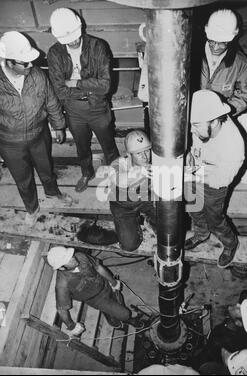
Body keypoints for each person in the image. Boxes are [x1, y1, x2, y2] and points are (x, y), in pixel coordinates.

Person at [0, 31, 72, 227]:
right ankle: (32, 208)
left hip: (39, 134)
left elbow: (51, 101)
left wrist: (58, 125)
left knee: (46, 167)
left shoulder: (38, 75)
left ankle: (52, 192)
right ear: (8, 61)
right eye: (25, 63)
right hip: (9, 142)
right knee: (23, 178)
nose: (30, 65)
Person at [48, 8, 119, 193]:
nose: (72, 40)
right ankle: (87, 173)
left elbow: (105, 86)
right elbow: (60, 90)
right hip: (74, 110)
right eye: (67, 37)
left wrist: (76, 82)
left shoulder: (98, 46)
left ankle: (116, 175)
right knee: (81, 147)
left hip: (97, 106)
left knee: (108, 144)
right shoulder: (55, 53)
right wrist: (86, 89)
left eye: (74, 34)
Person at [184, 90, 244, 268]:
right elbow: (193, 144)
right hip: (194, 173)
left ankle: (230, 244)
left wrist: (193, 173)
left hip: (214, 185)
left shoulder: (233, 145)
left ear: (215, 121)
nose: (191, 130)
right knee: (193, 208)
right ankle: (201, 234)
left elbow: (220, 180)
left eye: (195, 125)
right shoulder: (203, 124)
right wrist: (188, 156)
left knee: (215, 220)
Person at [47, 246, 141, 335]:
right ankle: (123, 318)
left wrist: (113, 282)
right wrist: (72, 326)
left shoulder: (80, 256)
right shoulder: (62, 284)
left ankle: (111, 315)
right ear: (62, 267)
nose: (73, 259)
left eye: (70, 255)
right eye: (68, 260)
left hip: (104, 284)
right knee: (125, 314)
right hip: (96, 300)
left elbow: (98, 267)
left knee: (118, 299)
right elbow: (61, 309)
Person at [200, 9, 247, 116]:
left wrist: (223, 112)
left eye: (222, 43)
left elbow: (246, 96)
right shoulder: (191, 54)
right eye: (211, 41)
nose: (215, 47)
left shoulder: (240, 63)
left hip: (220, 116)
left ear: (231, 39)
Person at [108, 130, 156, 252]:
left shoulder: (155, 159)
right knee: (129, 246)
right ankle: (131, 223)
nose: (145, 156)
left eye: (147, 151)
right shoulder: (118, 164)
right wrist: (140, 172)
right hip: (123, 207)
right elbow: (119, 180)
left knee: (169, 229)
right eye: (139, 153)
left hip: (146, 199)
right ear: (129, 155)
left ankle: (149, 221)